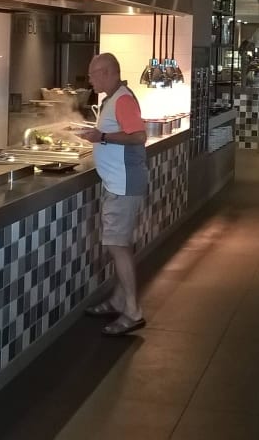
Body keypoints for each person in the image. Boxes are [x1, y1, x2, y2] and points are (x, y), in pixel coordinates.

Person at [75, 53, 149, 336]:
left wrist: (102, 137)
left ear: (106, 73)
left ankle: (132, 311)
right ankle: (119, 300)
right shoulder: (112, 98)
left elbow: (138, 136)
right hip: (118, 183)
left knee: (118, 246)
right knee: (119, 244)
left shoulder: (122, 100)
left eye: (92, 74)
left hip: (124, 184)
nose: (89, 80)